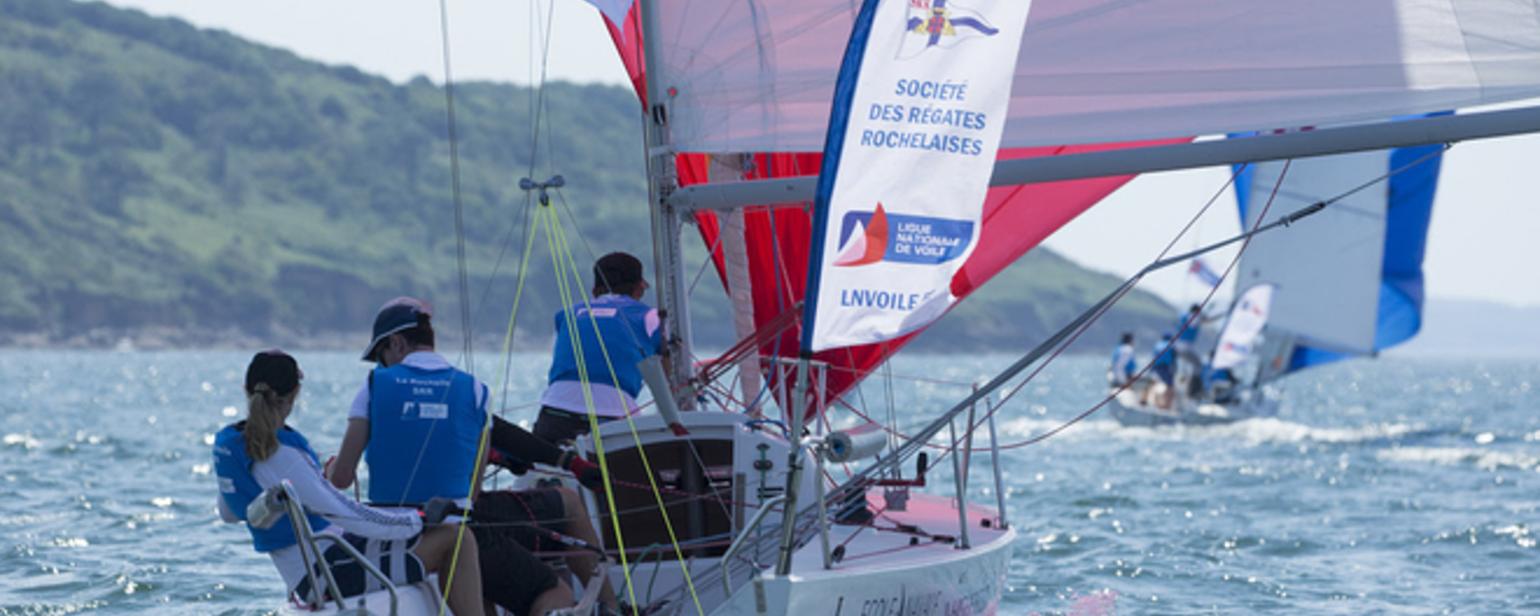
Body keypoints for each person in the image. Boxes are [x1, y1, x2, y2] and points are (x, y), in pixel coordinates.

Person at [328, 297, 616, 614]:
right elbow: (472, 492)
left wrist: (329, 472)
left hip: (395, 535)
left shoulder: (372, 386)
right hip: (458, 532)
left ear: (396, 343)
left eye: (380, 357)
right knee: (555, 590)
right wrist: (566, 463)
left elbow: (341, 478)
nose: (382, 367)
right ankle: (613, 607)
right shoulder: (476, 390)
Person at [213, 350, 485, 615]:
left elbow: (229, 513)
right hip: (324, 574)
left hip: (311, 567)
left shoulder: (230, 445)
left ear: (247, 389)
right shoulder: (282, 453)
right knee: (458, 539)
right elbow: (343, 513)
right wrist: (420, 519)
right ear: (295, 393)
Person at [534, 252, 665, 445]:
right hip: (612, 415)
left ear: (595, 290)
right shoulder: (651, 317)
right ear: (639, 288)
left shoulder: (566, 314)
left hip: (554, 411)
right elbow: (666, 367)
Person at [1143, 333, 1177, 409]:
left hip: (1155, 367)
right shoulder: (1171, 346)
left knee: (1151, 383)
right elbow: (1173, 360)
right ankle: (1166, 406)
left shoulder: (1157, 345)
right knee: (1170, 387)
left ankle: (1143, 400)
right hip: (1164, 367)